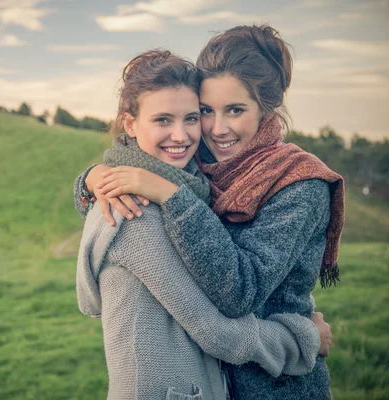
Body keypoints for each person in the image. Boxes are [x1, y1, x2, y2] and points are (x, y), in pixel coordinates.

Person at [79, 26, 344, 400]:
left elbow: (241, 290)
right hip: (214, 379)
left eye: (235, 110)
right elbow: (138, 174)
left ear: (266, 109)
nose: (215, 129)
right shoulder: (201, 169)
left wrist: (169, 194)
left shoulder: (298, 184)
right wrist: (92, 180)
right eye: (205, 111)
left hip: (277, 386)